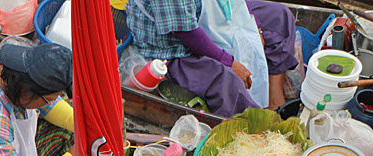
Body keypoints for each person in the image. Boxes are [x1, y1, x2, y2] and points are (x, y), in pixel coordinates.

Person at [126, 0, 298, 115]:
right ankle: (253, 128)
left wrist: (255, 25)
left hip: (210, 13)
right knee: (224, 80)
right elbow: (186, 32)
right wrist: (229, 62)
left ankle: (274, 102)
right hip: (175, 49)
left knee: (279, 16)